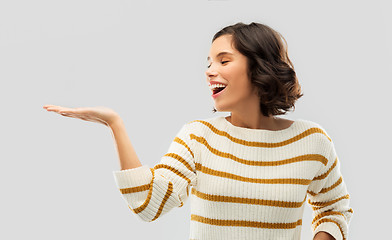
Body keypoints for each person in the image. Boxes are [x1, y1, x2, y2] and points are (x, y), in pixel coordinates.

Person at [43, 22, 353, 240]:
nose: (209, 70)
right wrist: (115, 124)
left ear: (260, 67)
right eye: (208, 61)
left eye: (223, 60)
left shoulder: (312, 141)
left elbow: (334, 208)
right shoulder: (199, 137)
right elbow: (148, 205)